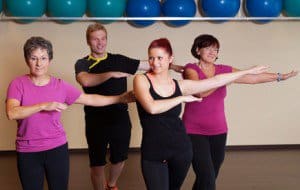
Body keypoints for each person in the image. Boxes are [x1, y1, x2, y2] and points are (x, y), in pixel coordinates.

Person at [133, 38, 269, 190]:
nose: (155, 62)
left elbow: (217, 80)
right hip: (155, 151)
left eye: (160, 58)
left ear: (170, 59)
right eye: (151, 58)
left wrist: (248, 71)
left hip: (180, 150)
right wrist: (181, 98)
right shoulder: (141, 79)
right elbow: (152, 108)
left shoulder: (179, 85)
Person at [5, 36, 134, 190]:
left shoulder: (60, 86)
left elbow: (90, 99)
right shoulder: (18, 84)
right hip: (28, 151)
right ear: (27, 60)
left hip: (56, 148)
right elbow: (12, 112)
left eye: (43, 58)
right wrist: (43, 105)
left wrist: (119, 98)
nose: (39, 63)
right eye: (34, 58)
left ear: (49, 60)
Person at [182, 34, 298, 190]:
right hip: (193, 131)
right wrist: (223, 79)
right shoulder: (191, 69)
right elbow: (199, 92)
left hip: (218, 131)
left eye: (215, 49)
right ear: (198, 50)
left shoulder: (224, 70)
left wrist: (280, 77)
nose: (212, 52)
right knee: (206, 175)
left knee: (211, 175)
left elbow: (252, 77)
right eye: (208, 48)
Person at [74, 23, 183, 190]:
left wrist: (172, 65)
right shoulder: (83, 63)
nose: (100, 42)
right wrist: (112, 73)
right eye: (96, 39)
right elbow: (85, 80)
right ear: (88, 41)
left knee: (119, 158)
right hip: (96, 121)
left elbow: (148, 64)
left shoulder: (118, 59)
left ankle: (111, 185)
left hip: (120, 119)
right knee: (97, 163)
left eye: (103, 38)